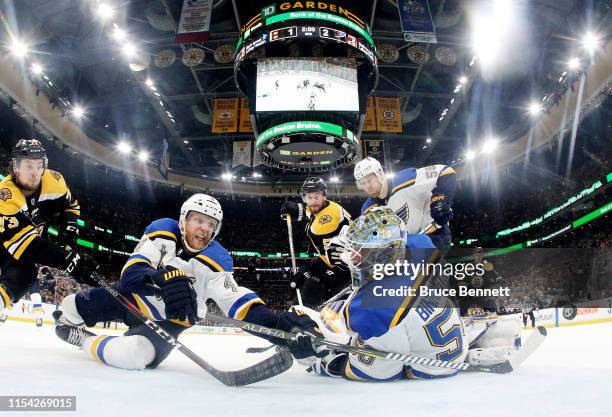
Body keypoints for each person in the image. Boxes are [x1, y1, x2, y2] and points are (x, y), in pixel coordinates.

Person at [53, 194, 325, 370]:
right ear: (183, 221)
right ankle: (72, 321)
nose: (204, 228)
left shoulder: (216, 261)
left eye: (210, 224)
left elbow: (240, 306)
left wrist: (280, 327)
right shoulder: (161, 232)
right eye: (198, 220)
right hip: (128, 299)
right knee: (69, 307)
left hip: (167, 323)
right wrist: (162, 277)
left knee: (133, 356)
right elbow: (132, 274)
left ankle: (84, 340)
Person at [293, 208, 520, 381]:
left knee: (349, 341)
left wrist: (326, 362)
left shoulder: (375, 308)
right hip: (447, 341)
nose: (352, 258)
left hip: (430, 367)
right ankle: (491, 337)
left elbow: (382, 373)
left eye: (359, 251)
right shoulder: (420, 249)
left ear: (381, 255)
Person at [0, 139, 98, 318]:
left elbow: (72, 205)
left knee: (23, 275)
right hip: (9, 241)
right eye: (29, 166)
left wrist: (69, 230)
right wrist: (68, 261)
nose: (35, 173)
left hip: (21, 243)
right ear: (16, 167)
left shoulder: (55, 181)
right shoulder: (5, 196)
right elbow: (27, 245)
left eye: (39, 165)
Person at [353, 157, 456, 249]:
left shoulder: (405, 179)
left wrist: (439, 201)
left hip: (435, 234)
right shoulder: (368, 209)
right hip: (406, 247)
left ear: (380, 173)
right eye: (362, 183)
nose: (367, 187)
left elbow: (445, 172)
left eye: (369, 180)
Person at [280, 177, 352, 308]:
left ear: (324, 196)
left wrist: (309, 270)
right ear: (304, 198)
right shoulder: (324, 206)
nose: (313, 202)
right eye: (309, 197)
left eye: (317, 197)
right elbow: (310, 211)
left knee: (313, 284)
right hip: (334, 260)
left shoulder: (327, 219)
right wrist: (297, 208)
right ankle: (298, 314)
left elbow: (329, 259)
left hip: (347, 267)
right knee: (304, 277)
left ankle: (301, 319)